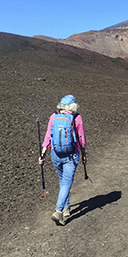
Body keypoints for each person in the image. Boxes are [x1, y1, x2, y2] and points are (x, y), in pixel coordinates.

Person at [39, 94, 86, 225]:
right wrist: (83, 153)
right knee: (66, 182)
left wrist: (42, 153)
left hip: (55, 154)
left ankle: (66, 208)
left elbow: (48, 135)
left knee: (62, 180)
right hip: (71, 155)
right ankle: (58, 211)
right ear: (73, 106)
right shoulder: (76, 117)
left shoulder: (54, 116)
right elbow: (81, 138)